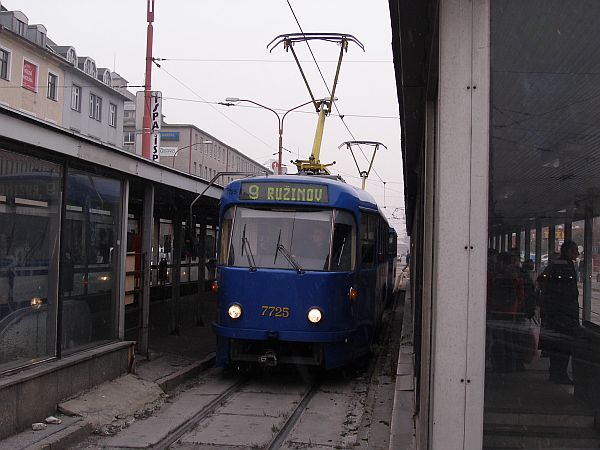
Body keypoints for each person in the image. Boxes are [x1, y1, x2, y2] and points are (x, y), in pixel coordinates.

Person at [538, 240, 580, 385]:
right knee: (563, 345)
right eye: (575, 250)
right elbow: (566, 291)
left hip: (556, 312)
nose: (578, 253)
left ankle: (556, 372)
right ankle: (559, 373)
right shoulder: (564, 266)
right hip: (563, 313)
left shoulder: (558, 264)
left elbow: (542, 281)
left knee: (557, 344)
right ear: (568, 251)